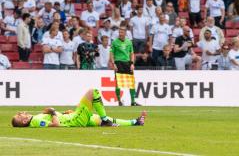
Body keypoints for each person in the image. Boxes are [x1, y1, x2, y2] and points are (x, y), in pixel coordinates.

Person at [11, 88, 146, 127]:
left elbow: (58, 119)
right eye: (19, 115)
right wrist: (52, 111)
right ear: (24, 121)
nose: (21, 112)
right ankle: (105, 120)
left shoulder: (35, 119)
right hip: (75, 120)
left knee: (97, 119)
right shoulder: (35, 121)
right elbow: (55, 125)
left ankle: (135, 122)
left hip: (73, 117)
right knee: (92, 92)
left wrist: (63, 113)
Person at [110, 25, 140, 106]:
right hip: (118, 63)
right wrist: (114, 64)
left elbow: (132, 53)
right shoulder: (114, 42)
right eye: (119, 32)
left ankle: (133, 101)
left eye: (122, 32)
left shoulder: (129, 42)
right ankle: (119, 101)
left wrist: (132, 64)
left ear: (125, 33)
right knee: (118, 83)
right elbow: (111, 54)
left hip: (127, 63)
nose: (120, 33)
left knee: (132, 82)